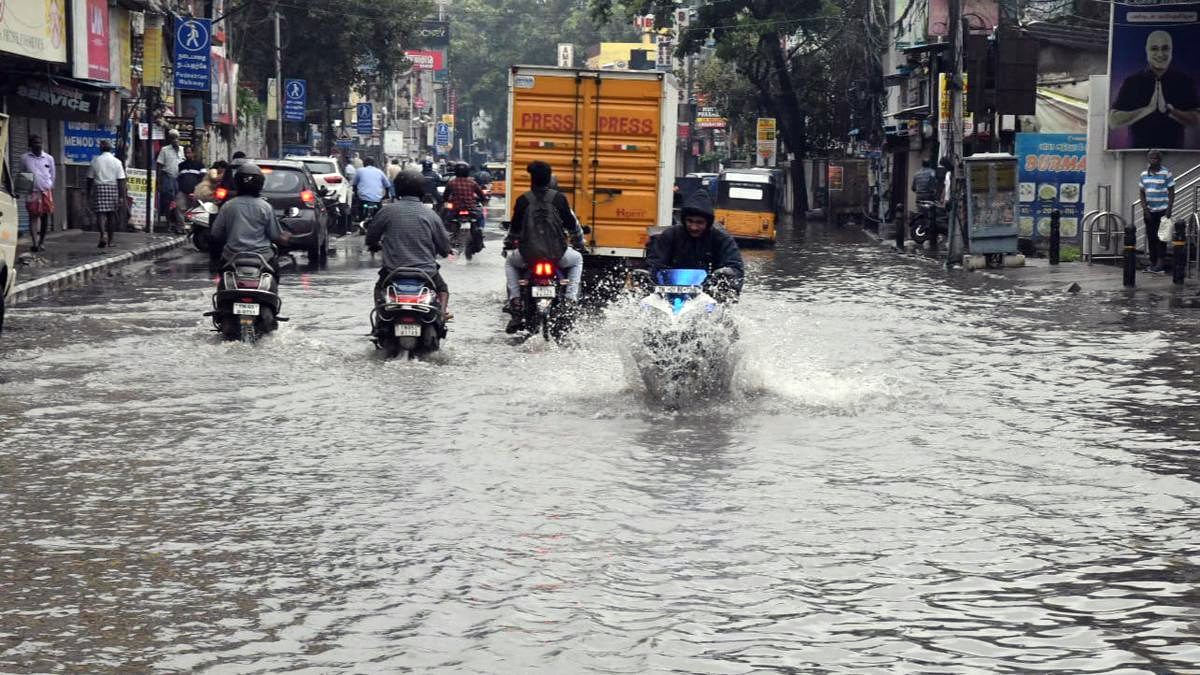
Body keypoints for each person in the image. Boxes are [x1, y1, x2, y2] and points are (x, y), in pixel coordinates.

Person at [503, 160, 585, 333]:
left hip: (528, 256)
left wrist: (508, 244)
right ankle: (570, 300)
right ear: (549, 180)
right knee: (577, 259)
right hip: (558, 254)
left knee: (510, 263)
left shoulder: (523, 200)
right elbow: (572, 226)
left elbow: (515, 229)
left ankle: (516, 302)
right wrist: (579, 243)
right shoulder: (559, 199)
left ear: (531, 180)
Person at [366, 170, 453, 318]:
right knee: (442, 289)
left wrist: (373, 245)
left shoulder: (387, 211)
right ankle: (442, 314)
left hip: (392, 271)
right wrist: (445, 251)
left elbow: (371, 237)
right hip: (427, 272)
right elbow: (444, 246)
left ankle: (380, 318)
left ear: (398, 188)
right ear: (422, 190)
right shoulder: (431, 215)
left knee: (379, 288)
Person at [1110, 30, 1200, 149]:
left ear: (1171, 51)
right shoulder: (1132, 82)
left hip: (1177, 154)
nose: (1160, 54)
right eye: (1154, 49)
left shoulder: (1184, 81)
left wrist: (1171, 112)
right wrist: (1147, 109)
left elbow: (1197, 120)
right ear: (1147, 51)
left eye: (1165, 48)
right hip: (1136, 154)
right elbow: (1113, 121)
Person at [645, 189, 744, 293]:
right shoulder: (669, 235)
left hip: (708, 290)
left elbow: (736, 268)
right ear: (684, 220)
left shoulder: (722, 239)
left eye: (699, 222)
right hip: (669, 289)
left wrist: (726, 274)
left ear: (708, 223)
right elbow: (654, 264)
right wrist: (650, 278)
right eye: (690, 221)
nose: (694, 227)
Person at [210, 162, 290, 266]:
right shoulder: (265, 207)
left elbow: (216, 233)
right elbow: (275, 235)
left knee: (221, 275)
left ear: (237, 182)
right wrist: (287, 237)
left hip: (232, 257)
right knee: (275, 273)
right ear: (260, 184)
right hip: (263, 258)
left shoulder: (228, 206)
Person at [1139, 149, 1175, 273]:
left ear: (1159, 160)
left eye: (1155, 158)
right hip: (1149, 211)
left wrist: (1169, 209)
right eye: (1151, 158)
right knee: (1151, 238)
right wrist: (1145, 210)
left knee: (1162, 238)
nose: (1153, 160)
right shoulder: (1144, 174)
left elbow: (1171, 191)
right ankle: (1153, 263)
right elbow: (1142, 193)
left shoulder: (1166, 173)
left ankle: (1160, 264)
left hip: (1163, 211)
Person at [87, 140, 127, 248]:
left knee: (100, 214)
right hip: (113, 187)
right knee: (111, 215)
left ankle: (102, 235)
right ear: (111, 149)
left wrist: (88, 193)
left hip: (99, 187)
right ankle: (111, 240)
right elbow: (121, 180)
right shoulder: (117, 162)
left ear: (101, 148)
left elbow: (89, 179)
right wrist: (122, 197)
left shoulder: (95, 161)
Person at [20, 134, 56, 251]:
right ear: (30, 145)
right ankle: (35, 243)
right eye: (35, 143)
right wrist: (22, 190)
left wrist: (50, 186)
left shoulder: (49, 158)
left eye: (40, 143)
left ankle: (42, 242)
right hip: (32, 192)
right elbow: (22, 174)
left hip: (45, 191)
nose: (38, 145)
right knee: (33, 216)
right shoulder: (24, 158)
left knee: (45, 217)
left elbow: (53, 175)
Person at [443, 162, 489, 238]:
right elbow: (481, 194)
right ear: (467, 171)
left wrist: (445, 202)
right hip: (470, 208)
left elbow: (445, 196)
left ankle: (447, 232)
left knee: (446, 217)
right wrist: (483, 200)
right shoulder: (472, 182)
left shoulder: (451, 183)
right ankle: (480, 229)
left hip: (455, 209)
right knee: (481, 216)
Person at [156, 130, 184, 228]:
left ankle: (177, 221)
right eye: (172, 137)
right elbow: (159, 166)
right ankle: (169, 221)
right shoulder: (164, 150)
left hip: (179, 179)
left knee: (178, 201)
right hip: (167, 177)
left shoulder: (182, 150)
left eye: (176, 137)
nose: (174, 140)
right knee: (168, 200)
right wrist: (158, 182)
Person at [352, 157, 393, 221]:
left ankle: (360, 220)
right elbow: (387, 185)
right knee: (378, 215)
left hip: (363, 198)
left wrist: (355, 193)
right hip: (377, 198)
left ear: (365, 163)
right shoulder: (379, 172)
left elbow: (354, 184)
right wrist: (386, 195)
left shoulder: (360, 170)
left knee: (359, 208)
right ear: (373, 164)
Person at [176, 146, 206, 214]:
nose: (187, 155)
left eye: (189, 153)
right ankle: (181, 224)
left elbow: (203, 179)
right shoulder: (181, 165)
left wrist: (196, 192)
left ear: (193, 153)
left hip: (196, 192)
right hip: (183, 192)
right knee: (178, 206)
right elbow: (179, 179)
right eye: (185, 153)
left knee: (196, 211)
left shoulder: (200, 165)